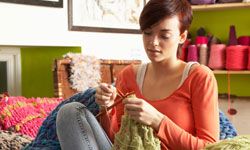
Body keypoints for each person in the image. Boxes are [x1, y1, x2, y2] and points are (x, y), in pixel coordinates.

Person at [56, 0, 219, 149]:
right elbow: (115, 140)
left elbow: (210, 147)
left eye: (164, 35)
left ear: (182, 36)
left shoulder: (200, 77)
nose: (153, 42)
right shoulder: (129, 75)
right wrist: (107, 107)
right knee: (70, 112)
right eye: (148, 33)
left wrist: (157, 121)